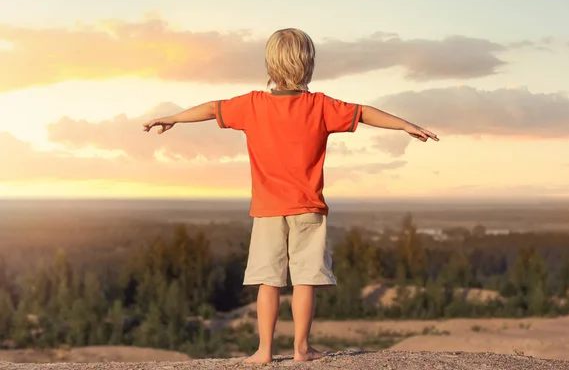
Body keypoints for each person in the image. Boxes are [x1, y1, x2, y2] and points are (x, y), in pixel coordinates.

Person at [142, 28, 438, 364]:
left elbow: (211, 109)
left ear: (270, 66)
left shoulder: (252, 105)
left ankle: (264, 352)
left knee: (267, 281)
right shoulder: (321, 106)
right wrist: (406, 125)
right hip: (308, 208)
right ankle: (301, 349)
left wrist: (174, 118)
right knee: (304, 281)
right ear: (309, 65)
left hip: (267, 209)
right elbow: (365, 113)